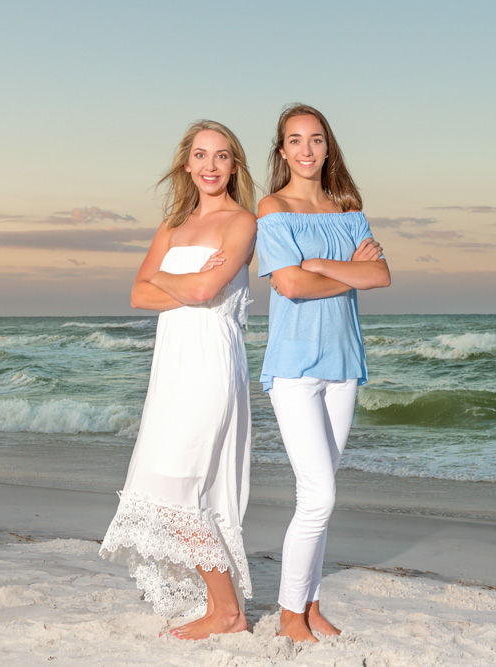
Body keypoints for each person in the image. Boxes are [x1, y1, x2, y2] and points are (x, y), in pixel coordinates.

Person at [100, 120, 257, 640]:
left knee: (178, 482)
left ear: (234, 165)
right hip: (172, 366)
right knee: (171, 481)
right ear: (187, 164)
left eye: (222, 155)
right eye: (201, 155)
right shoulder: (173, 225)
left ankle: (226, 611)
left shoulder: (241, 223)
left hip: (211, 363)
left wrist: (170, 281)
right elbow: (136, 294)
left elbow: (206, 289)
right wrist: (179, 282)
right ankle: (222, 608)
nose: (211, 165)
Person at [255, 104, 391, 643]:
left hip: (343, 365)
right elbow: (288, 286)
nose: (306, 150)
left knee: (322, 492)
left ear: (327, 147)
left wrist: (317, 265)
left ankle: (310, 605)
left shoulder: (349, 211)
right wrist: (346, 272)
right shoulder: (273, 209)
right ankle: (290, 615)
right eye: (295, 140)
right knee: (319, 496)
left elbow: (380, 275)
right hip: (293, 367)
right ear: (282, 151)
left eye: (316, 140)